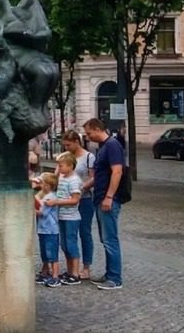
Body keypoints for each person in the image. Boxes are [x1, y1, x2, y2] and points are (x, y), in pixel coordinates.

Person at [83, 118, 124, 289]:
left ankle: (115, 278)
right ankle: (110, 273)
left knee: (110, 239)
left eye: (88, 133)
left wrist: (109, 197)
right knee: (105, 238)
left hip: (108, 200)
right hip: (100, 198)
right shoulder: (104, 147)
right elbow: (100, 175)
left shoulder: (112, 145)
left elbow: (117, 172)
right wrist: (84, 186)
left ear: (96, 129)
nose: (87, 136)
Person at [62, 129, 96, 275]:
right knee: (69, 234)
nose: (66, 148)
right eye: (65, 145)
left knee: (84, 232)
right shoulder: (66, 157)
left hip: (84, 200)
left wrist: (80, 188)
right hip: (68, 201)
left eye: (68, 145)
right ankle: (72, 267)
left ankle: (86, 267)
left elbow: (93, 177)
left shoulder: (89, 157)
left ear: (77, 142)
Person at [51, 152, 85, 284]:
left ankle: (75, 272)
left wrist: (57, 202)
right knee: (64, 244)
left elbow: (75, 200)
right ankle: (70, 270)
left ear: (71, 166)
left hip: (71, 217)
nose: (60, 168)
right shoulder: (62, 177)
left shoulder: (74, 180)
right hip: (61, 215)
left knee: (71, 244)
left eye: (62, 166)